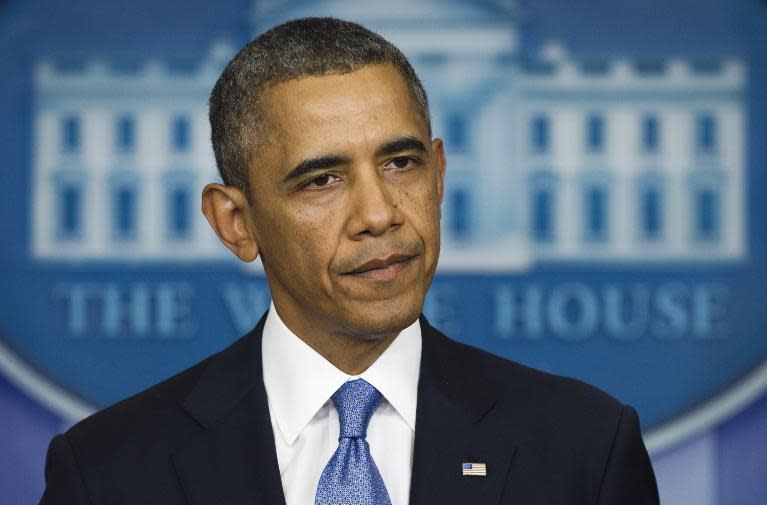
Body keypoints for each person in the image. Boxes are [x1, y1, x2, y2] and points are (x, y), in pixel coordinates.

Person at [39, 17, 659, 505]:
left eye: (401, 163)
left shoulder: (585, 447)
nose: (380, 213)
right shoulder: (107, 472)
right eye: (322, 180)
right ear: (236, 222)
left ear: (439, 175)